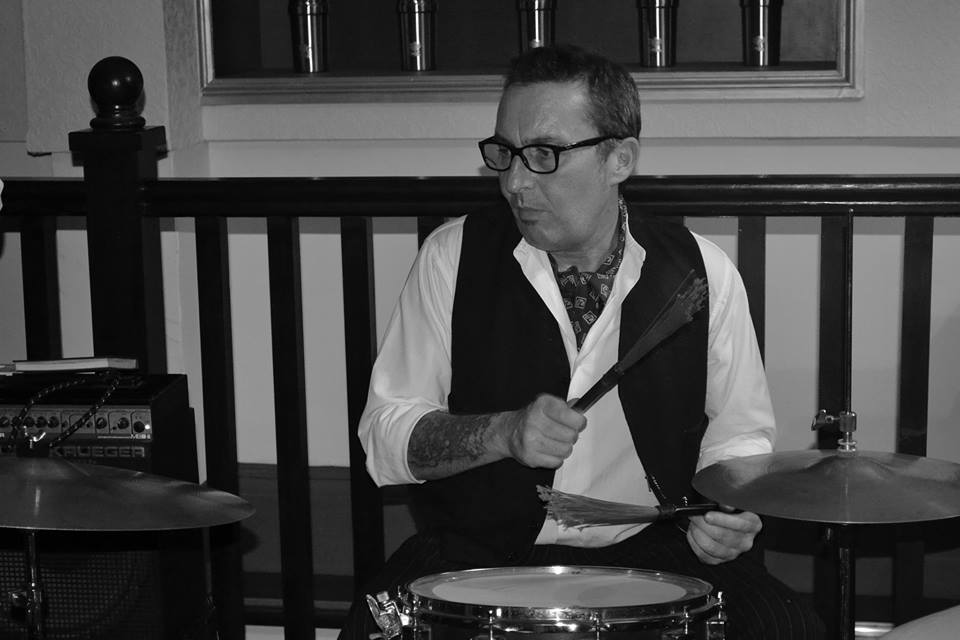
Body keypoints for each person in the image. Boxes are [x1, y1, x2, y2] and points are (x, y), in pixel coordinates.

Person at [341, 43, 824, 639]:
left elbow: (739, 436)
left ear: (619, 158)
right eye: (504, 153)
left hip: (658, 549)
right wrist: (501, 433)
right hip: (479, 553)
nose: (514, 182)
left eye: (544, 154)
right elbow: (385, 439)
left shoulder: (702, 273)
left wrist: (728, 515)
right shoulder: (452, 256)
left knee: (788, 627)